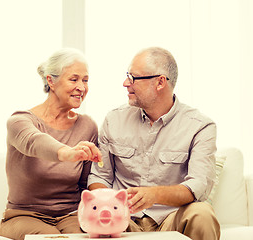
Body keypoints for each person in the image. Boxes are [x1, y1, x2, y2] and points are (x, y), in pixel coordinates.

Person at [88, 47, 220, 240]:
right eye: (127, 76)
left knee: (203, 213)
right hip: (123, 220)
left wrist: (154, 195)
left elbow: (198, 186)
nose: (126, 83)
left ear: (160, 82)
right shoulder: (114, 120)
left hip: (171, 217)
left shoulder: (201, 126)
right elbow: (99, 177)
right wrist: (112, 206)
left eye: (133, 78)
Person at [0, 48, 102, 240]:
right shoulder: (20, 121)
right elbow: (34, 141)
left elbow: (85, 183)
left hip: (70, 215)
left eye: (85, 80)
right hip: (24, 215)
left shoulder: (87, 126)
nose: (82, 87)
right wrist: (67, 153)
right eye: (74, 79)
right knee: (51, 238)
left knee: (91, 237)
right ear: (51, 81)